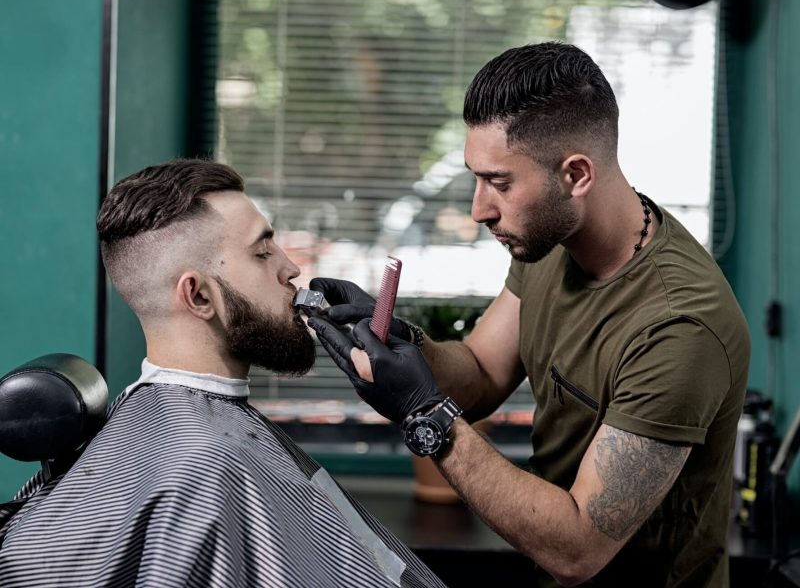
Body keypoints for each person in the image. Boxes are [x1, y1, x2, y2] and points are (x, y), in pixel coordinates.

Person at [308, 42, 751, 587]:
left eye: (499, 183)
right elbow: (482, 373)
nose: (478, 210)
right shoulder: (551, 237)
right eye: (477, 178)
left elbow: (578, 549)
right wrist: (402, 345)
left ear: (576, 174)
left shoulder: (679, 329)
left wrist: (425, 415)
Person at [0, 159, 446, 588]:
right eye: (262, 252)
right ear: (197, 297)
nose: (291, 268)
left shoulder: (199, 434)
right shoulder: (201, 464)